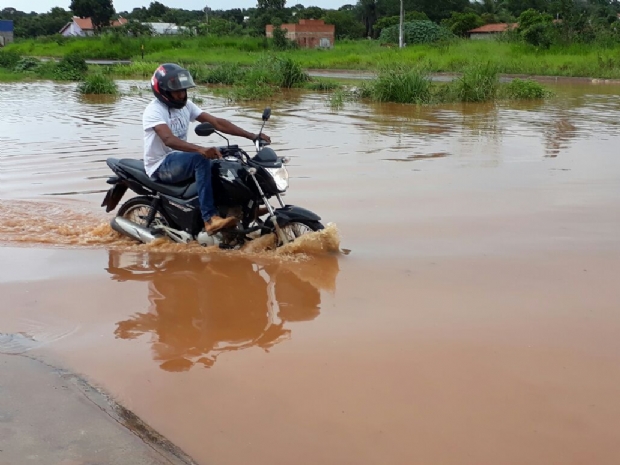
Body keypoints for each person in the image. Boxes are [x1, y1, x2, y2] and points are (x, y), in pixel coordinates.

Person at [143, 63, 271, 234]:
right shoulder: (154, 110)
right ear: (163, 92)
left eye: (183, 90)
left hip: (180, 159)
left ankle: (240, 208)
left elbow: (217, 123)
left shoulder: (186, 106)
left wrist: (252, 136)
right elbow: (168, 139)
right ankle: (209, 219)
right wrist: (200, 150)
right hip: (161, 164)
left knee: (226, 156)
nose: (182, 95)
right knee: (201, 159)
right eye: (177, 91)